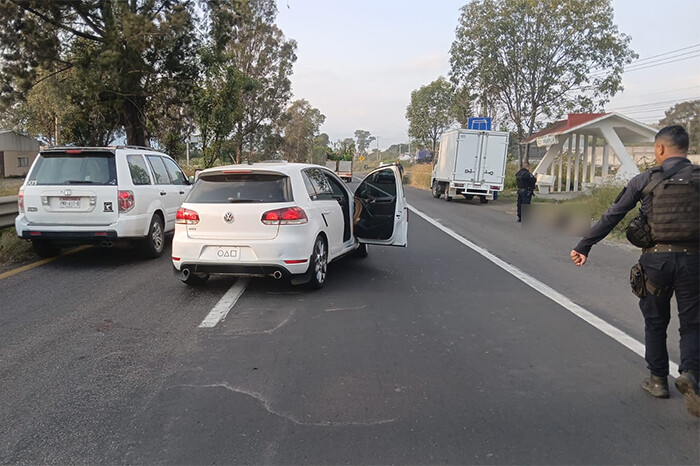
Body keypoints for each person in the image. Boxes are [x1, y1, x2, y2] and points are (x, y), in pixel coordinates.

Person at [570, 125, 699, 417]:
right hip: (694, 262)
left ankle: (657, 381)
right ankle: (690, 374)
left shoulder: (645, 180)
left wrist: (584, 245)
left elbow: (612, 215)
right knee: (693, 323)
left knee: (655, 321)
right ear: (685, 148)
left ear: (660, 149)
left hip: (656, 262)